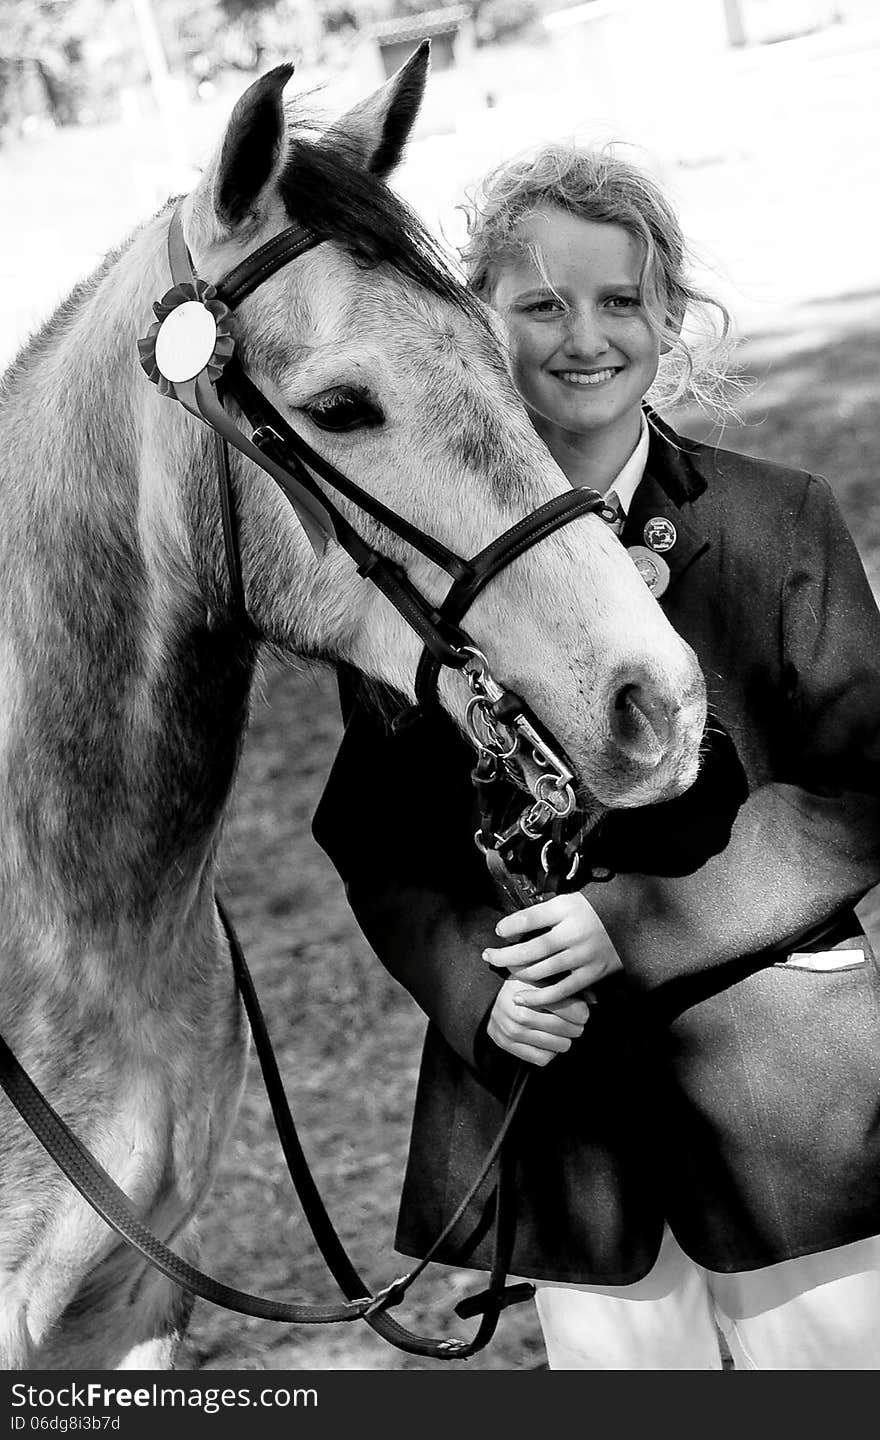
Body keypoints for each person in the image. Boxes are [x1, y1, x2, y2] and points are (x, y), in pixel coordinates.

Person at [312, 144, 880, 1369]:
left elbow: (861, 792)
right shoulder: (411, 563)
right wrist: (478, 991)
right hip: (574, 1127)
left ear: (665, 316)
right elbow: (375, 840)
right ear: (480, 328)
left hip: (785, 1094)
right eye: (539, 303)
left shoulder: (779, 519)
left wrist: (635, 921)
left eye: (619, 299)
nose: (585, 336)